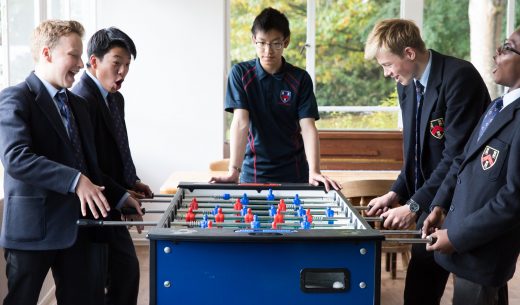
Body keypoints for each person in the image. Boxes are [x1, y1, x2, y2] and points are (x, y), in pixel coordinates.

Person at [0, 20, 141, 305]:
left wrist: (121, 196)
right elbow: (17, 158)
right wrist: (75, 181)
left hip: (79, 227)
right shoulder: (15, 98)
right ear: (47, 53)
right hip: (33, 229)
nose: (80, 64)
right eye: (73, 55)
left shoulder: (78, 105)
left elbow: (89, 166)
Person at [363, 19, 490, 305]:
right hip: (431, 205)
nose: (387, 74)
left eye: (388, 65)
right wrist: (397, 192)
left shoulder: (459, 77)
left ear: (409, 53)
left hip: (468, 205)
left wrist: (414, 205)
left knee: (476, 295)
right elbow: (415, 152)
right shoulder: (407, 85)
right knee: (418, 293)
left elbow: (457, 156)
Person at [422, 28, 520, 305]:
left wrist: (456, 236)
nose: (496, 53)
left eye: (507, 48)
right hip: (463, 245)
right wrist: (439, 205)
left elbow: (512, 200)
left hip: (483, 255)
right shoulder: (496, 107)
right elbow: (462, 161)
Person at [209, 7, 340, 192]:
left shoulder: (300, 78)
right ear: (253, 40)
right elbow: (240, 122)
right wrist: (233, 171)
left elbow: (308, 126)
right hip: (253, 173)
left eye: (275, 43)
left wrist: (315, 170)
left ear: (286, 42)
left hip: (294, 174)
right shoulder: (240, 74)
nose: (268, 51)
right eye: (261, 43)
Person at [72, 27, 152, 305]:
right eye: (116, 63)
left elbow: (118, 149)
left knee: (124, 275)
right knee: (113, 279)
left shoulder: (116, 98)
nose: (122, 72)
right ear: (94, 61)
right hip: (94, 207)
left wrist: (132, 182)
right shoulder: (79, 99)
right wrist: (121, 195)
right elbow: (87, 164)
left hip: (114, 200)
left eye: (127, 65)